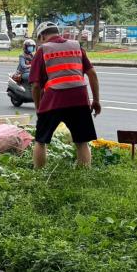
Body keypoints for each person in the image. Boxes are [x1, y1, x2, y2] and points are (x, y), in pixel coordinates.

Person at [29, 22, 101, 169]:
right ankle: (84, 173)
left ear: (42, 36)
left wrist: (38, 108)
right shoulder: (76, 46)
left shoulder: (42, 50)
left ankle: (38, 173)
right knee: (82, 141)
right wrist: (96, 100)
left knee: (41, 140)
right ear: (57, 32)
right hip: (79, 100)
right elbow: (92, 74)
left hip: (53, 100)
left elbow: (35, 85)